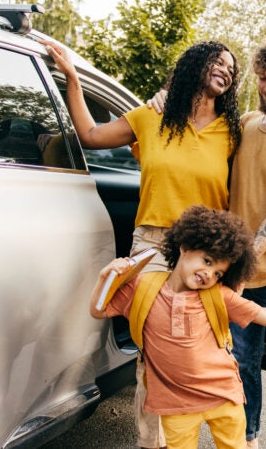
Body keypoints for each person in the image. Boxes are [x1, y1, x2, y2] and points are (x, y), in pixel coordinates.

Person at [47, 40, 242, 449]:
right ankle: (150, 443)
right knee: (154, 357)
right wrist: (73, 79)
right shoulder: (153, 116)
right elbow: (89, 134)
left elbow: (243, 194)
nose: (225, 69)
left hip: (205, 254)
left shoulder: (233, 133)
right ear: (194, 65)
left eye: (231, 67)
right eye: (217, 61)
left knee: (204, 351)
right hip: (153, 245)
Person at [148, 37, 266, 448]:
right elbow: (197, 128)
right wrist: (165, 96)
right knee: (241, 364)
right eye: (262, 77)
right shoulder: (246, 124)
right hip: (236, 268)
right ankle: (247, 439)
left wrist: (240, 267)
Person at [89, 205, 266, 449]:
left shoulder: (218, 295)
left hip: (223, 396)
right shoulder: (143, 287)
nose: (209, 275)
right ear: (184, 246)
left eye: (218, 273)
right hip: (175, 406)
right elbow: (99, 310)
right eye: (207, 261)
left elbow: (260, 313)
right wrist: (105, 277)